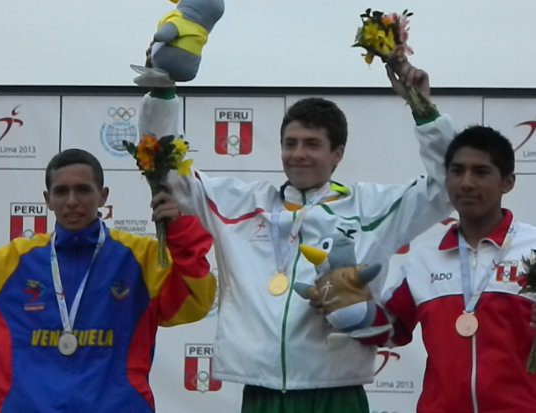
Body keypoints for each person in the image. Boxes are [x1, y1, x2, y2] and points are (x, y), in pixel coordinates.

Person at [138, 56, 454, 412]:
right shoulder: (241, 203)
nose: (298, 154)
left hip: (336, 392)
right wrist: (161, 90)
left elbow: (449, 186)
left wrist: (423, 109)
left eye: (312, 144)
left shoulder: (370, 207)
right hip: (261, 393)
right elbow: (165, 169)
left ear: (337, 153)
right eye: (290, 143)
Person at [0, 148, 216, 413]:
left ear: (103, 196)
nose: (72, 201)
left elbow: (197, 300)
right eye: (61, 191)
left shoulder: (141, 259)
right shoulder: (6, 266)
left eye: (83, 190)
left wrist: (179, 232)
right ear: (48, 200)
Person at [362, 126, 536, 412]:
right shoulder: (424, 256)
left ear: (507, 182)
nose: (466, 183)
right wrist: (348, 310)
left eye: (481, 172)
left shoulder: (532, 247)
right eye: (457, 171)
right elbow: (392, 328)